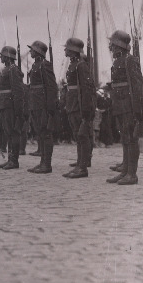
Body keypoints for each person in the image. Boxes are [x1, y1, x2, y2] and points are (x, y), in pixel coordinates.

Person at [106, 30, 143, 185]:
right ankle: (125, 171)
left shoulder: (130, 60)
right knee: (125, 138)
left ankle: (132, 174)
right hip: (119, 105)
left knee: (131, 138)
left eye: (112, 44)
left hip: (129, 105)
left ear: (118, 46)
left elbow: (137, 86)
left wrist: (137, 110)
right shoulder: (118, 61)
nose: (110, 47)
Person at [62, 37, 95, 179]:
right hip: (72, 102)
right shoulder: (73, 64)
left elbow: (87, 89)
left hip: (78, 104)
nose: (65, 50)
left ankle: (82, 167)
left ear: (73, 50)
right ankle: (79, 163)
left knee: (82, 135)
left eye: (67, 48)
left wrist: (86, 110)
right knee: (77, 134)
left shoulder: (81, 65)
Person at [26, 40, 57, 174]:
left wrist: (50, 107)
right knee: (40, 132)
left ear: (38, 51)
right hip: (35, 103)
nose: (30, 52)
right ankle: (42, 162)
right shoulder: (35, 65)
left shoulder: (45, 65)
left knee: (46, 133)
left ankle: (46, 164)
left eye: (32, 49)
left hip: (43, 104)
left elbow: (51, 87)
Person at [0, 46, 25, 170]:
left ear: (7, 57)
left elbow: (17, 91)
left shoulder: (13, 70)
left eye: (2, 55)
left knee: (13, 132)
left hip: (10, 105)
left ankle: (14, 160)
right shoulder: (7, 69)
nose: (0, 57)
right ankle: (10, 159)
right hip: (4, 103)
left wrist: (18, 109)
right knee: (8, 132)